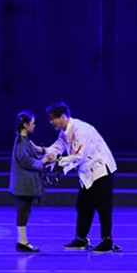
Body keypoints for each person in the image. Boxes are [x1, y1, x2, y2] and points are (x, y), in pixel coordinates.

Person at [43, 102, 122, 252]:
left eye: (53, 118)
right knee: (83, 205)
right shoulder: (64, 132)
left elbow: (79, 155)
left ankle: (107, 241)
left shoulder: (80, 129)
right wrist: (41, 151)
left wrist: (58, 160)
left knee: (103, 206)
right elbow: (57, 147)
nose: (51, 122)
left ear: (63, 117)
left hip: (100, 169)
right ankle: (81, 239)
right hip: (86, 173)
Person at [9, 111, 55, 253]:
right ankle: (22, 242)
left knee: (25, 211)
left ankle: (23, 241)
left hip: (25, 185)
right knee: (23, 211)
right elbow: (26, 161)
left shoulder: (24, 141)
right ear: (25, 125)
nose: (34, 125)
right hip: (23, 185)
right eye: (32, 123)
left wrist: (42, 157)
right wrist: (43, 161)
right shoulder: (21, 142)